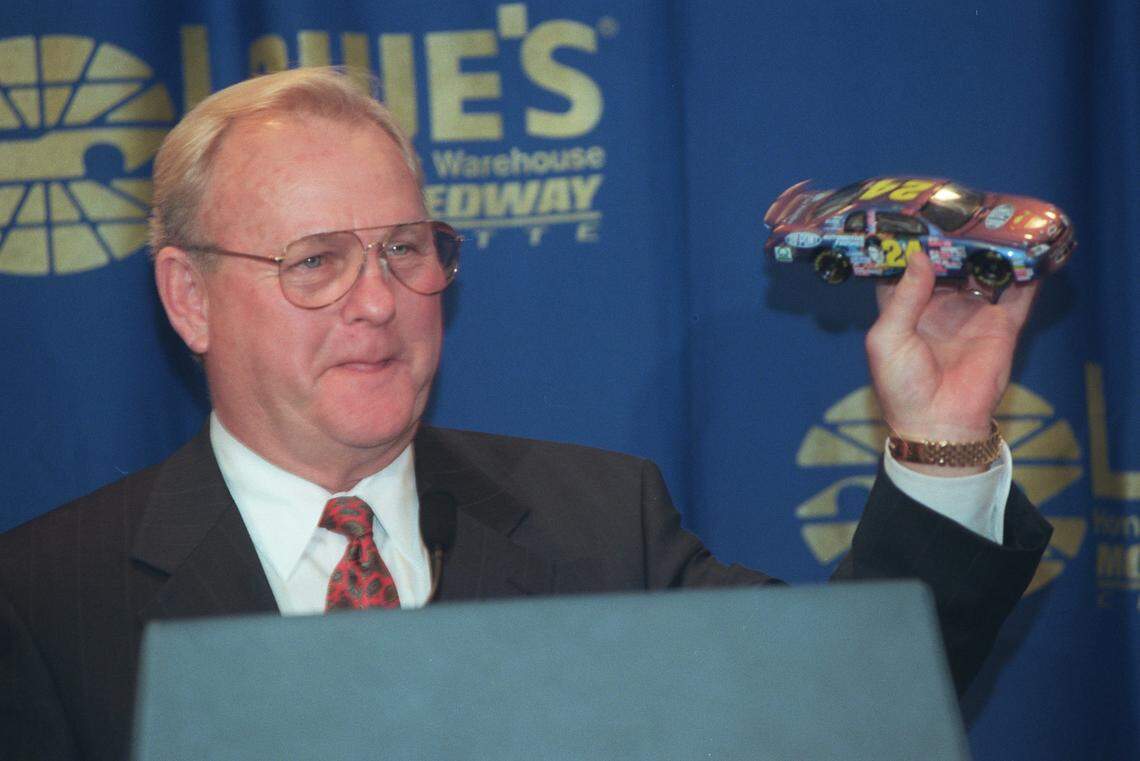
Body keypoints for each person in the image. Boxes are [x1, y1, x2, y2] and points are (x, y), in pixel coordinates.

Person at [0, 67, 1050, 761]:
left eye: (404, 249)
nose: (377, 301)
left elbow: (846, 714)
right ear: (189, 297)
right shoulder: (42, 599)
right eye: (314, 260)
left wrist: (942, 433)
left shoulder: (601, 520)